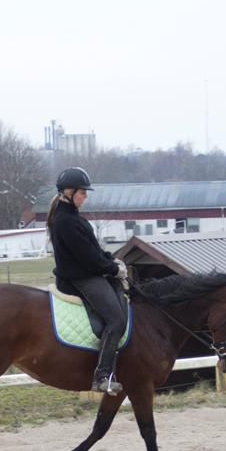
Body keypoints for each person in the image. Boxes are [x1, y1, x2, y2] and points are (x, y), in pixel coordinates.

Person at [47, 166, 128, 395]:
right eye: (82, 192)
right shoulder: (65, 221)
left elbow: (94, 249)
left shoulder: (72, 216)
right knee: (116, 320)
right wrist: (113, 269)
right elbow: (88, 259)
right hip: (79, 278)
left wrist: (112, 260)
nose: (85, 196)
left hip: (86, 273)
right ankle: (102, 376)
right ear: (68, 192)